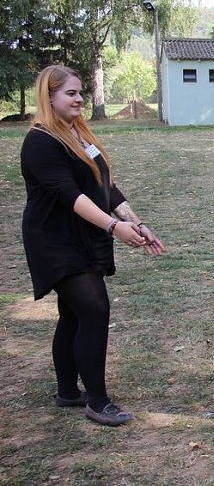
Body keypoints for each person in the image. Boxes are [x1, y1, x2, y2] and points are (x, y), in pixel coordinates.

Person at [20, 65, 165, 427]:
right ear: (48, 96)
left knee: (74, 313)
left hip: (84, 234)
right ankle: (97, 401)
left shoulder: (76, 132)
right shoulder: (41, 141)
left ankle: (69, 391)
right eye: (70, 93)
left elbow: (105, 186)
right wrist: (116, 227)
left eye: (81, 92)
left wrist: (135, 222)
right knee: (94, 308)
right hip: (55, 239)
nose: (80, 98)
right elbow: (71, 197)